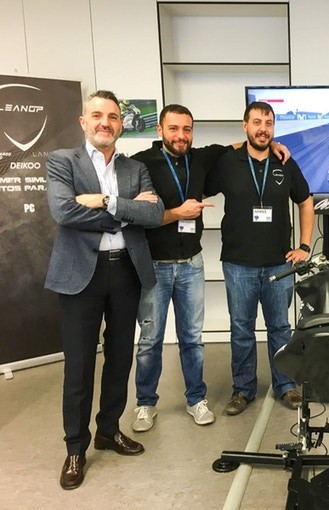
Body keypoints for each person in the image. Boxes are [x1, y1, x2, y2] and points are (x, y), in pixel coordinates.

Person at [128, 105, 290, 432]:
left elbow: (241, 145)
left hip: (192, 262)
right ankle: (145, 403)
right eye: (174, 129)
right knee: (149, 341)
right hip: (155, 265)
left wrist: (271, 143)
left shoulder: (201, 157)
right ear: (160, 130)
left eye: (187, 129)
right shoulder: (140, 164)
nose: (181, 136)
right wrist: (178, 213)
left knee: (192, 338)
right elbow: (135, 214)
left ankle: (195, 399)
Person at [45, 90, 164, 490]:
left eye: (113, 117)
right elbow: (64, 211)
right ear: (84, 121)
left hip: (126, 271)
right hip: (81, 274)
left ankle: (109, 430)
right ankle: (75, 448)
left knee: (119, 358)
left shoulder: (134, 167)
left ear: (121, 124)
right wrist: (126, 211)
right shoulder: (63, 161)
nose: (105, 123)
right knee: (79, 364)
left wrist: (106, 201)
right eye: (97, 115)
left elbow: (154, 213)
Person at [204, 101, 314, 416]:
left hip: (280, 264)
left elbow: (306, 201)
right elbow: (200, 186)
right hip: (238, 264)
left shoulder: (285, 162)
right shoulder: (228, 162)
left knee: (280, 327)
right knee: (241, 329)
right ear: (245, 126)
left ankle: (286, 385)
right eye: (256, 122)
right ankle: (243, 389)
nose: (263, 129)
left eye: (268, 123)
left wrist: (304, 246)